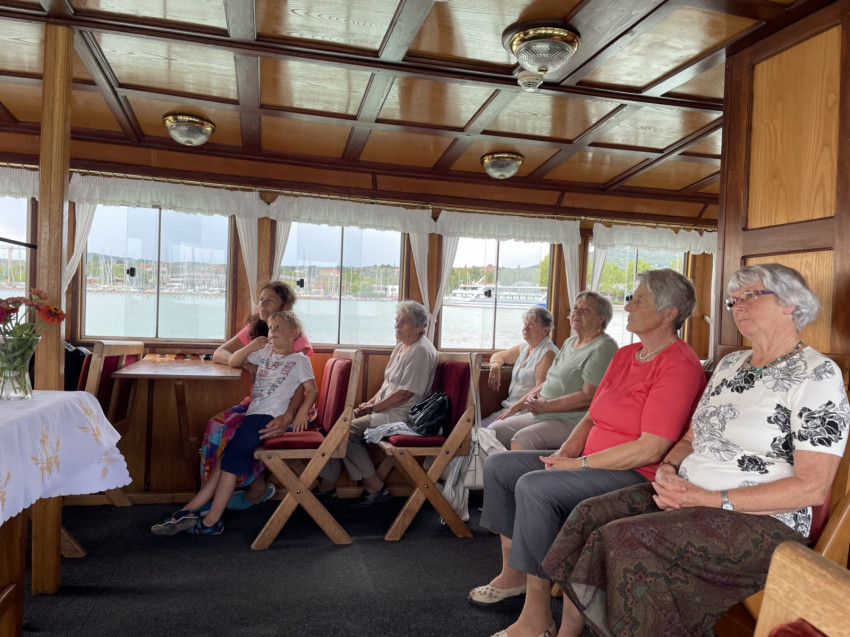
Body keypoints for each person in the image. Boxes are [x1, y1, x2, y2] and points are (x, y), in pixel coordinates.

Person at [543, 263, 850, 637]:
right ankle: (568, 633)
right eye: (733, 300)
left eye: (750, 295)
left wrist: (709, 499)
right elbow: (690, 439)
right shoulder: (730, 365)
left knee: (628, 541)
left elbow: (812, 488)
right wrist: (669, 469)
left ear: (791, 303)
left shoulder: (817, 374)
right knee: (588, 515)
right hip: (689, 495)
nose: (737, 305)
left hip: (763, 520)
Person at [468, 269, 707, 637]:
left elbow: (652, 447)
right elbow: (592, 415)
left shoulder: (679, 364)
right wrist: (564, 452)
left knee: (535, 486)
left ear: (669, 313)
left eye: (638, 300)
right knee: (501, 466)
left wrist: (577, 464)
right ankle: (514, 574)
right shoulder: (626, 354)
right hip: (591, 460)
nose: (628, 306)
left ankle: (537, 616)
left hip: (635, 474)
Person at [152, 311, 318, 536]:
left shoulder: (299, 359)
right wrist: (251, 347)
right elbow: (234, 360)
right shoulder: (265, 352)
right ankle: (189, 511)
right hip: (253, 415)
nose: (272, 332)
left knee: (229, 461)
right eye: (270, 328)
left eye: (278, 327)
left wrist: (300, 414)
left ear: (293, 333)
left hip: (269, 418)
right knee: (226, 458)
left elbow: (311, 390)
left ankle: (211, 521)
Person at [200, 281, 313, 510]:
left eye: (269, 301)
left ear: (285, 306)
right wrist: (247, 364)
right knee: (216, 425)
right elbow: (221, 353)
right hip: (258, 404)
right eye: (261, 300)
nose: (262, 305)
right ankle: (209, 492)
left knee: (239, 432)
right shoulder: (256, 330)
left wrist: (289, 415)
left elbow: (300, 388)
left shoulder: (293, 337)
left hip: (287, 408)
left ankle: (253, 488)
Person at [314, 300, 438, 507]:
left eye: (404, 322)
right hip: (388, 408)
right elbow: (387, 385)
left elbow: (404, 394)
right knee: (340, 425)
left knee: (346, 431)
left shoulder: (420, 351)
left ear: (420, 326)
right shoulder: (401, 347)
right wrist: (368, 404)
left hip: (403, 415)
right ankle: (327, 485)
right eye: (396, 320)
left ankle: (374, 488)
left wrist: (372, 409)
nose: (397, 325)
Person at [488, 291, 618, 450]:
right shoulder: (570, 342)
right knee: (495, 431)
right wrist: (517, 406)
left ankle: (518, 467)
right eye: (575, 308)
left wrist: (547, 406)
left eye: (585, 310)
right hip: (545, 413)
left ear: (601, 319)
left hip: (572, 420)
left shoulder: (604, 347)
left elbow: (588, 397)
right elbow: (549, 381)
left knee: (522, 439)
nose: (577, 312)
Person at [484, 306, 559, 427]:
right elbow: (499, 356)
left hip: (527, 411)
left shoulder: (548, 353)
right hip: (510, 408)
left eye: (531, 324)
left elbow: (541, 389)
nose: (525, 328)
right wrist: (495, 366)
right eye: (525, 323)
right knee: (475, 430)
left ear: (546, 329)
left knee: (488, 430)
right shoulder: (524, 347)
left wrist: (514, 408)